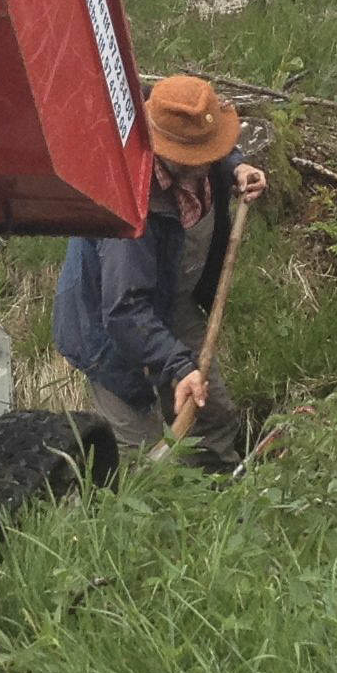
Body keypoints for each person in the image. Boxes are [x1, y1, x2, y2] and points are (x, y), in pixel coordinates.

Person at [56, 74, 266, 466]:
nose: (210, 159)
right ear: (170, 152)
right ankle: (153, 498)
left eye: (212, 149)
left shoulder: (202, 159)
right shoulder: (129, 209)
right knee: (144, 457)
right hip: (113, 328)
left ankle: (222, 484)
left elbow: (213, 149)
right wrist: (179, 366)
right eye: (200, 155)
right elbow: (124, 311)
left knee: (214, 415)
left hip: (174, 301)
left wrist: (237, 167)